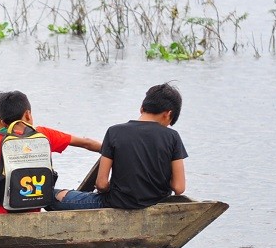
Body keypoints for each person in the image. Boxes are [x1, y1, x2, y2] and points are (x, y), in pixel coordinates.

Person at [0, 90, 100, 215]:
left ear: (3, 120)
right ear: (28, 114)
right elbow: (86, 143)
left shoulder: (1, 138)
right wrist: (111, 148)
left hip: (5, 208)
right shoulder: (44, 134)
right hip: (34, 206)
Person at [50, 82, 188, 210]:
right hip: (156, 204)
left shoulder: (114, 132)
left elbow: (101, 184)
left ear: (142, 108)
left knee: (51, 196)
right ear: (168, 113)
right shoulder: (173, 137)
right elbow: (179, 187)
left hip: (117, 203)